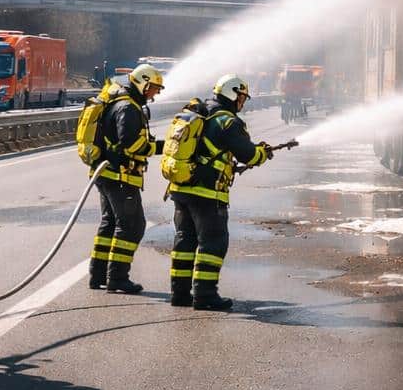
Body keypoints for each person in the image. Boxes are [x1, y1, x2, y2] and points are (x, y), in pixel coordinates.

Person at [166, 74, 272, 312]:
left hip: (181, 188)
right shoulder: (228, 121)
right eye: (242, 97)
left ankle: (180, 294)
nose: (242, 103)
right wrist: (263, 153)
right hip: (207, 193)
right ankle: (205, 295)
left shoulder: (200, 112)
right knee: (213, 243)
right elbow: (249, 155)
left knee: (185, 241)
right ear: (233, 95)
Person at [88, 63, 162, 293]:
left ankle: (98, 275)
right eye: (153, 88)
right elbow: (131, 144)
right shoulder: (128, 108)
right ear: (143, 83)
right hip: (120, 176)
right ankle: (117, 278)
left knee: (110, 223)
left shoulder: (122, 103)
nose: (155, 93)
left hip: (106, 174)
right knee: (132, 225)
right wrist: (161, 147)